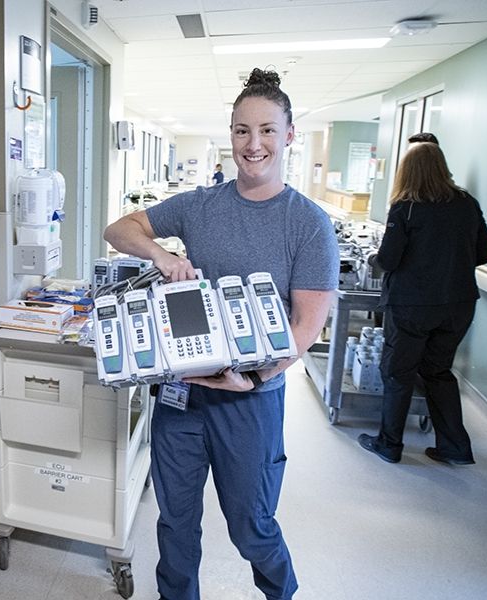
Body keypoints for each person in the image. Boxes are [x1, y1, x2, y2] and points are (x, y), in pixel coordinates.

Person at [104, 68, 338, 600]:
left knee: (251, 526)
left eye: (267, 130)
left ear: (289, 134)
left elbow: (304, 329)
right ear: (230, 134)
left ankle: (280, 593)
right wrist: (162, 256)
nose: (253, 144)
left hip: (250, 401)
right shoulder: (199, 206)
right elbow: (119, 230)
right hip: (182, 396)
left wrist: (253, 380)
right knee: (175, 523)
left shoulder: (308, 224)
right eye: (241, 130)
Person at [358, 142, 487, 465]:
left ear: (407, 172)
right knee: (438, 371)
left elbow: (388, 260)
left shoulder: (406, 207)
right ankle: (455, 447)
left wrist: (375, 258)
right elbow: (486, 252)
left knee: (398, 373)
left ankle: (389, 444)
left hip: (412, 306)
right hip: (458, 305)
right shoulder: (467, 203)